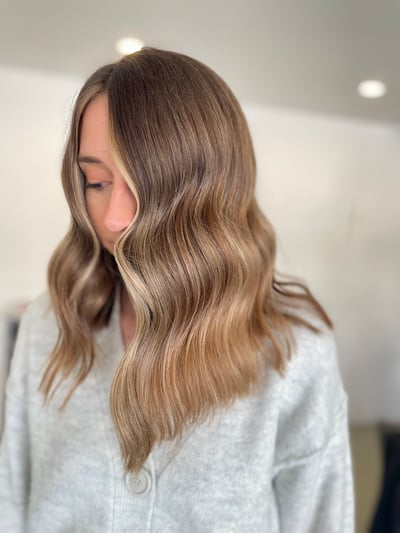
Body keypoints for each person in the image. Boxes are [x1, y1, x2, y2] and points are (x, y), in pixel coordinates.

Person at [0, 48, 354, 532]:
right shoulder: (50, 325)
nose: (113, 218)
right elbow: (11, 501)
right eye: (96, 181)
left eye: (142, 184)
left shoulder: (291, 351)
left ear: (211, 190)